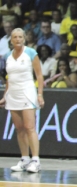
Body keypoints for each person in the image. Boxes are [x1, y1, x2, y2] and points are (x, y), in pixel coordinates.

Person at [0, 28, 44, 173]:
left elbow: (39, 76)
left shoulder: (31, 53)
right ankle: (25, 159)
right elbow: (8, 79)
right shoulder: (7, 56)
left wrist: (40, 94)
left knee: (30, 127)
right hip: (13, 94)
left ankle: (36, 160)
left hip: (27, 93)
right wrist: (5, 96)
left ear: (24, 39)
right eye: (15, 37)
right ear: (11, 40)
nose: (18, 39)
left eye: (20, 37)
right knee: (19, 129)